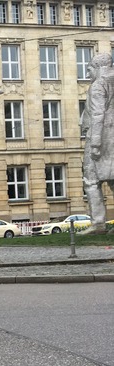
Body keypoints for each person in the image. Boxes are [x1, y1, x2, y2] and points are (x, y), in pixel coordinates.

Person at [80, 52, 114, 234]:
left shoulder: (98, 85)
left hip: (100, 138)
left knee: (91, 180)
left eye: (89, 69)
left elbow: (98, 114)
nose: (88, 75)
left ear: (98, 67)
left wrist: (95, 143)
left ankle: (98, 223)